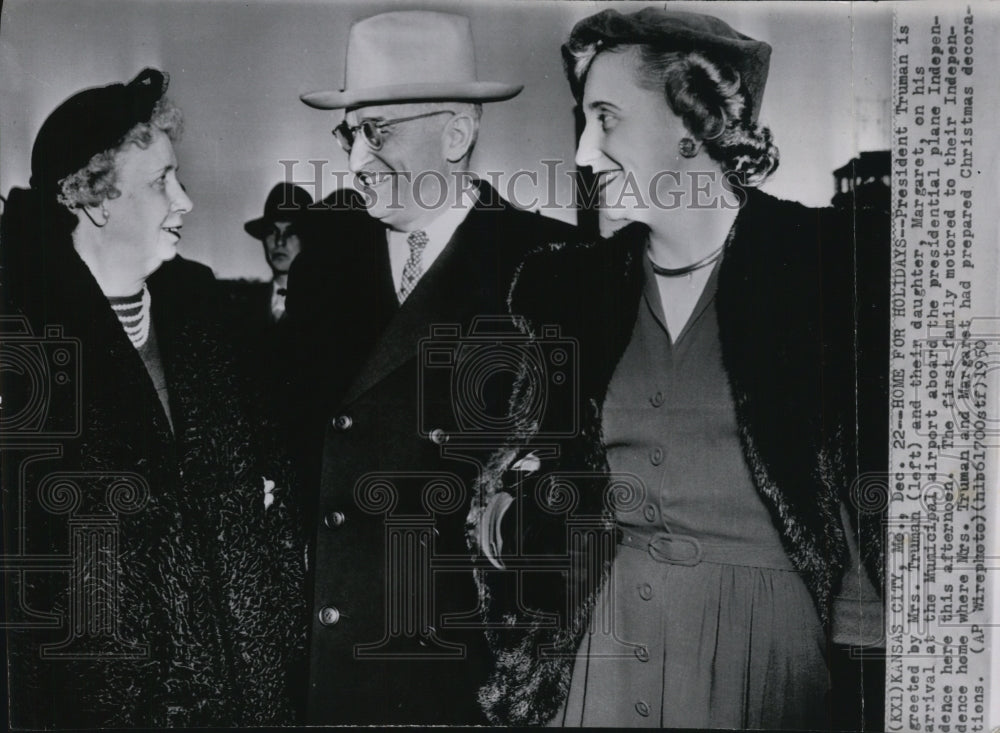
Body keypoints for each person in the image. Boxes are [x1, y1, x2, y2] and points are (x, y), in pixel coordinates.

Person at [469, 8, 887, 729]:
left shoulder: (830, 268)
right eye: (584, 123)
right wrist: (512, 502)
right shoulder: (571, 294)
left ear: (692, 125)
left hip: (767, 666)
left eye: (608, 119)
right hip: (605, 651)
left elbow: (879, 514)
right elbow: (530, 475)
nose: (586, 155)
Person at [288, 10, 576, 725]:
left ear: (456, 132)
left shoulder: (549, 266)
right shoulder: (325, 260)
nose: (355, 161)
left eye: (378, 131)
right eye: (349, 133)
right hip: (339, 648)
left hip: (460, 670)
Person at [0, 69, 305, 728]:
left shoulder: (208, 319)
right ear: (96, 197)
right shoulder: (26, 347)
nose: (186, 202)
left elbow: (271, 501)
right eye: (162, 181)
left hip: (243, 698)